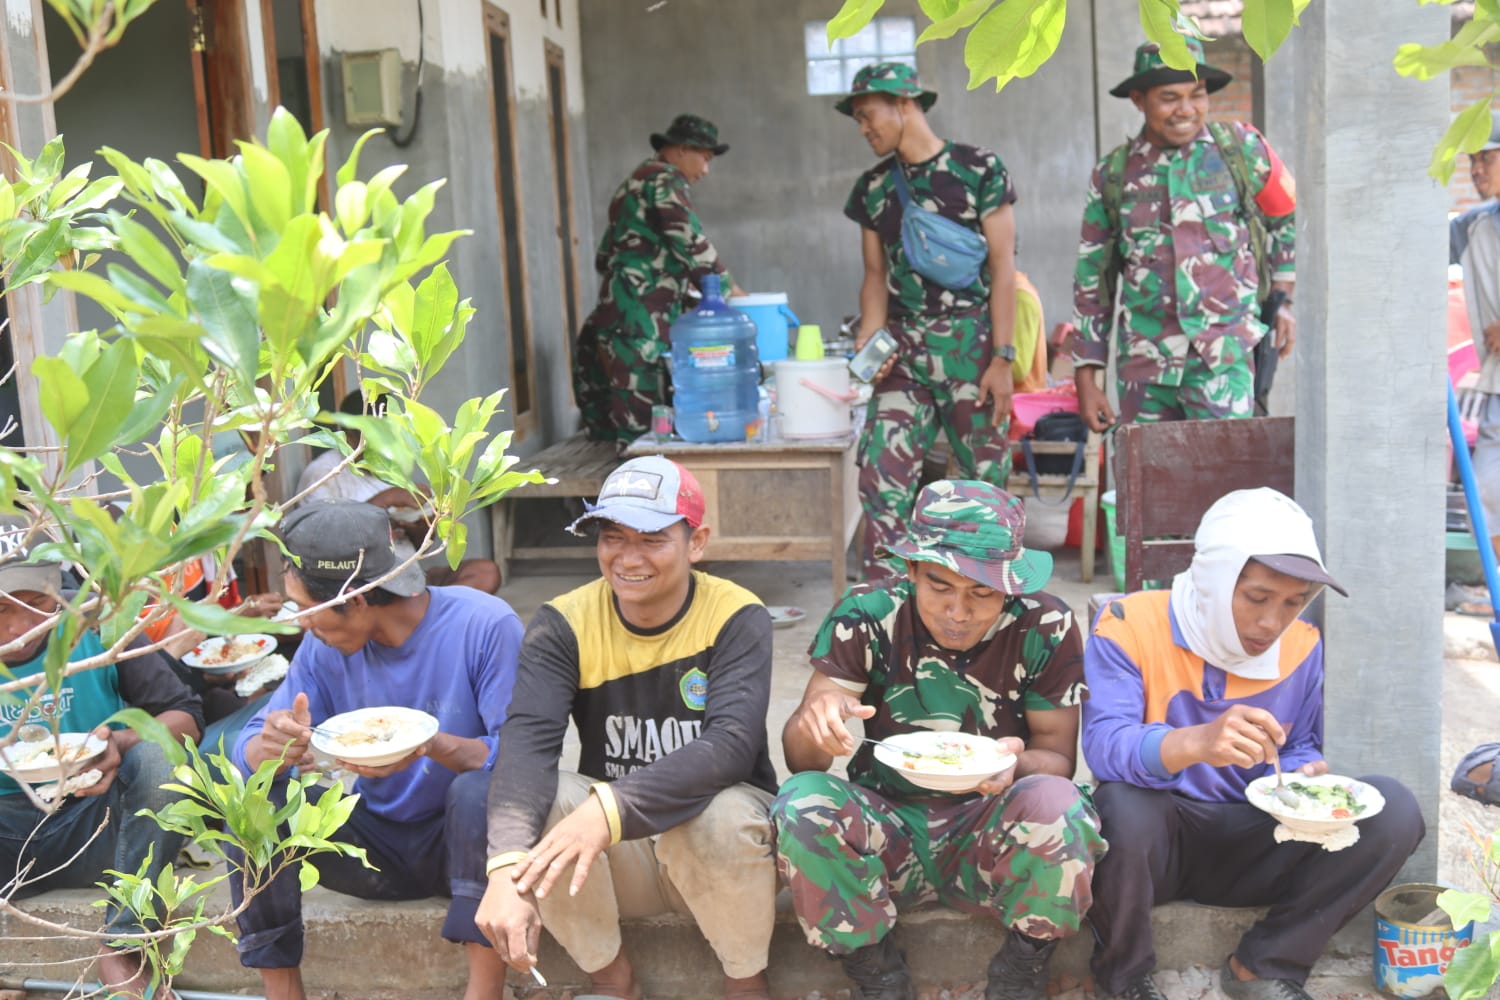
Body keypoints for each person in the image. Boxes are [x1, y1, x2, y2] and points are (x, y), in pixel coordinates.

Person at [1081, 488, 1425, 1000]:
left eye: (1294, 601)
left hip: (1256, 843)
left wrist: (1306, 777)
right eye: (1257, 597)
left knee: (1393, 810)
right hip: (1157, 849)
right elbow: (1104, 744)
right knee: (1120, 803)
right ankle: (1124, 975)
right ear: (1213, 582)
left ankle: (1265, 964)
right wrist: (1194, 743)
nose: (1272, 622)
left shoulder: (1301, 645)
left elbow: (1301, 743)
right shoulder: (1130, 625)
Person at [774, 481, 1105, 1000]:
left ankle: (1021, 969)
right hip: (887, 826)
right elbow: (801, 760)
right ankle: (876, 972)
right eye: (940, 587)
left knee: (1061, 805)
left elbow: (1059, 757)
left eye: (982, 593)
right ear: (910, 571)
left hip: (990, 829)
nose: (958, 612)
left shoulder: (1045, 622)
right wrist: (817, 720)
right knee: (802, 803)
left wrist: (1014, 766)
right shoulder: (866, 613)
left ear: (1010, 587)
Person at [476, 456, 778, 1000]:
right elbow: (525, 747)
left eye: (653, 540)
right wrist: (504, 870)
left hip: (720, 856)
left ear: (697, 542)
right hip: (618, 858)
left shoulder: (737, 614)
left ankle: (746, 981)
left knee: (725, 811)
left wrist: (607, 808)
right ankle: (611, 981)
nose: (627, 558)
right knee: (549, 801)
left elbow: (731, 747)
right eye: (613, 537)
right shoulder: (563, 622)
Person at [229, 500, 523, 1000]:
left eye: (306, 607)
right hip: (370, 849)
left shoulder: (484, 626)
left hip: (462, 848)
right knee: (253, 803)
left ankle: (484, 991)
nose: (299, 622)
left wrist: (436, 746)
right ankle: (282, 993)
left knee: (478, 792)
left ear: (360, 599)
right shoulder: (323, 648)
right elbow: (248, 749)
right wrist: (270, 745)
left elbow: (522, 759)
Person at [0, 515, 204, 998]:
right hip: (11, 841)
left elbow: (186, 715)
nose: (20, 627)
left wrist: (121, 740)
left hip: (107, 831)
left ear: (61, 592)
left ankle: (124, 940)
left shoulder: (99, 624)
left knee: (161, 755)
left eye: (35, 603)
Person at [837, 63, 1020, 582]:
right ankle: (888, 607)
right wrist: (867, 347)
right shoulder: (872, 188)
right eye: (857, 120)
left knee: (988, 483)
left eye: (868, 116)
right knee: (881, 478)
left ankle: (991, 597)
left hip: (973, 347)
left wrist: (1003, 358)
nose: (864, 129)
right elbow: (874, 276)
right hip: (904, 353)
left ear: (904, 103)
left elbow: (1004, 269)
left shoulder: (979, 169)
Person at [1069, 38, 1296, 432]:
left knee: (1228, 484)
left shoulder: (1241, 150)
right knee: (1150, 487)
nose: (1186, 110)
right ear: (1138, 100)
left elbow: (1285, 216)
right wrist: (1087, 372)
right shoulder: (1113, 174)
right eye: (1170, 97)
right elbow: (1094, 279)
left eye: (1197, 95)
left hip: (1224, 357)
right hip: (1146, 367)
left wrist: (1283, 296)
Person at [573, 115, 745, 446]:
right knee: (644, 435)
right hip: (641, 324)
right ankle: (636, 494)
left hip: (619, 315)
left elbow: (604, 256)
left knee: (633, 424)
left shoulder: (633, 183)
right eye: (705, 159)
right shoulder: (665, 180)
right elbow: (689, 240)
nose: (705, 170)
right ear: (681, 150)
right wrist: (727, 290)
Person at [296, 390, 501, 593]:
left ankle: (423, 615)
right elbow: (323, 542)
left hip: (408, 573)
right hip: (362, 585)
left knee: (485, 572)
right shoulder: (323, 474)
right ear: (350, 437)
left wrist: (421, 526)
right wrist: (386, 499)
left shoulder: (390, 467)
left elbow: (419, 546)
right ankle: (427, 617)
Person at [1451, 111, 1500, 610]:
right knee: (1488, 492)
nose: (1476, 169)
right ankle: (1497, 587)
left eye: (1486, 157)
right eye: (1472, 159)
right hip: (1496, 386)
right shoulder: (1475, 227)